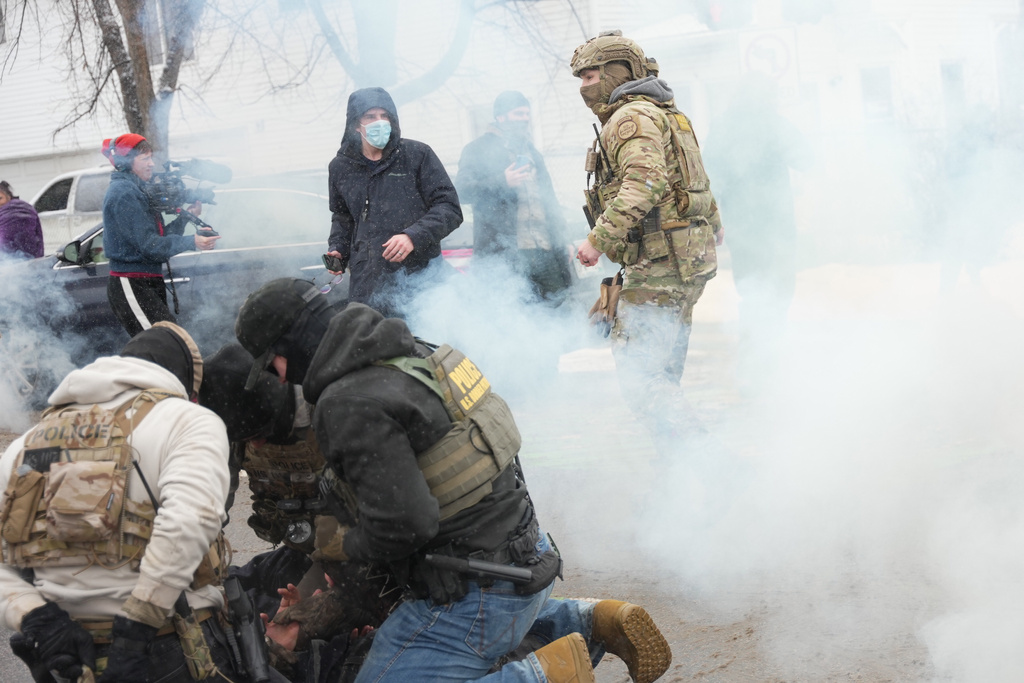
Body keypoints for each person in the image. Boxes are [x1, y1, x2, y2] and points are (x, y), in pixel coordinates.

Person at [233, 277, 671, 683]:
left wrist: (342, 545)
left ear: (291, 344)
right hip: (530, 562)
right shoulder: (413, 352)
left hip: (478, 592)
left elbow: (406, 526)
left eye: (273, 365)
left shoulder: (347, 401)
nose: (280, 379)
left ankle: (542, 676)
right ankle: (589, 620)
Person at [0, 322, 247, 682]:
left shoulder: (26, 444)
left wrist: (35, 618)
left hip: (69, 655)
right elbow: (192, 519)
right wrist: (135, 632)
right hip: (167, 648)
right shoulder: (187, 421)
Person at [571, 31, 724, 456]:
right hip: (685, 263)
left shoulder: (630, 117)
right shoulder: (666, 112)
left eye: (591, 75)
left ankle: (712, 467)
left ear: (618, 72)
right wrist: (712, 221)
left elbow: (647, 181)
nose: (584, 86)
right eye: (580, 77)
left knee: (641, 380)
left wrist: (597, 240)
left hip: (658, 265)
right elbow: (694, 179)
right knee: (662, 379)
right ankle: (682, 485)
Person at [703, 74, 809, 387]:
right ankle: (768, 366)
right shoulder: (774, 124)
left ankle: (752, 372)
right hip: (778, 229)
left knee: (753, 295)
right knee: (778, 295)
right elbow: (807, 158)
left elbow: (710, 179)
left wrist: (714, 221)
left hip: (744, 232)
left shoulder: (723, 127)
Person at [325, 87, 462, 318]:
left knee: (427, 348)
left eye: (385, 115)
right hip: (367, 285)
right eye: (370, 116)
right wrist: (338, 248)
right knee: (374, 349)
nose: (380, 122)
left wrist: (413, 236)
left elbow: (449, 208)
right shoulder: (340, 167)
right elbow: (343, 217)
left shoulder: (417, 155)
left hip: (421, 280)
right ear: (356, 124)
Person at [456, 91, 573, 303]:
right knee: (516, 319)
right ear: (501, 117)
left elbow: (550, 201)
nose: (525, 119)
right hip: (506, 256)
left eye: (527, 114)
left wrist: (565, 240)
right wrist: (503, 181)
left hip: (545, 253)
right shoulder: (477, 149)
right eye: (518, 113)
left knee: (559, 313)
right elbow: (462, 191)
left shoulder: (532, 152)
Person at [101, 133, 221, 337]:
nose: (151, 164)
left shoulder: (138, 190)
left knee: (169, 345)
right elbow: (149, 245)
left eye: (151, 157)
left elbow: (159, 239)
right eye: (145, 158)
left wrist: (186, 217)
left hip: (146, 279)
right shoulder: (124, 193)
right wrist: (192, 241)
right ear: (127, 162)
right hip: (130, 281)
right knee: (167, 345)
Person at [0, 179, 45, 259]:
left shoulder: (15, 210)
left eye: (0, 198)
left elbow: (7, 243)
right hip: (34, 262)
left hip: (19, 264)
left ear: (9, 197)